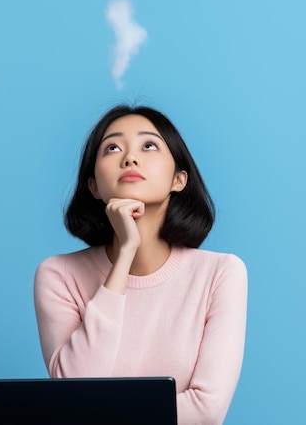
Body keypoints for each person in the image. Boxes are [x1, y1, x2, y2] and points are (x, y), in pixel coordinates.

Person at [34, 105, 247, 425]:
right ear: (93, 186)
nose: (129, 158)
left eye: (149, 146)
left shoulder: (221, 273)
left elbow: (206, 410)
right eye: (113, 148)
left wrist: (100, 413)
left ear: (179, 179)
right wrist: (125, 255)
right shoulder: (58, 276)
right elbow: (75, 390)